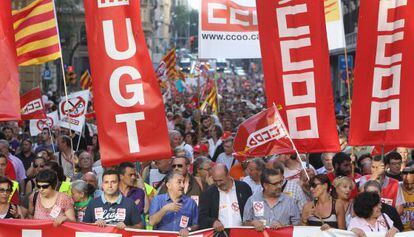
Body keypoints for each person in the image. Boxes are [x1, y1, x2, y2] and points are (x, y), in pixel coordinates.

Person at [198, 164, 252, 231]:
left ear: (228, 175)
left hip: (243, 233)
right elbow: (202, 217)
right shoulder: (208, 193)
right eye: (215, 181)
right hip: (221, 234)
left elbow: (252, 210)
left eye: (220, 180)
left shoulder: (244, 188)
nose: (218, 184)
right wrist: (213, 222)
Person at [149, 171, 198, 236]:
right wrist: (165, 209)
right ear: (168, 185)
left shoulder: (191, 203)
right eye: (179, 182)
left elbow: (196, 225)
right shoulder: (158, 200)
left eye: (183, 182)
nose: (182, 185)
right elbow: (152, 222)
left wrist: (188, 229)